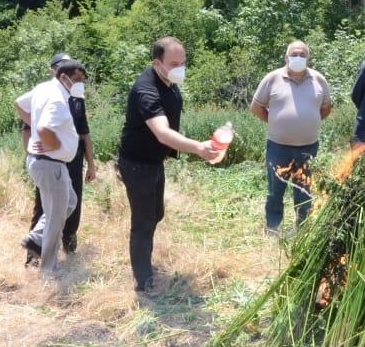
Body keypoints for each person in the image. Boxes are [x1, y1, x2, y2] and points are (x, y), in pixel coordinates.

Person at [116, 36, 220, 293]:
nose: (180, 68)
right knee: (143, 222)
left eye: (183, 62)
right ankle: (143, 281)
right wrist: (197, 147)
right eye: (174, 63)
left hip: (154, 161)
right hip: (137, 164)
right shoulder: (146, 90)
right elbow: (162, 132)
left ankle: (143, 260)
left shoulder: (169, 81)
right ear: (157, 63)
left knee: (156, 214)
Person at [17, 53, 96, 254]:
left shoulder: (77, 99)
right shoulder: (46, 94)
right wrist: (40, 146)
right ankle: (36, 254)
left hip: (72, 161)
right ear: (55, 71)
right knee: (44, 206)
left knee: (71, 202)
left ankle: (66, 244)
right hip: (49, 161)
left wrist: (91, 164)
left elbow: (84, 134)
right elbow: (30, 128)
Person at [250, 40, 332, 232]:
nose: (298, 58)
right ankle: (272, 228)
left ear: (308, 58)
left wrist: (310, 122)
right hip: (278, 146)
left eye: (302, 55)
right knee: (275, 191)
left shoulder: (318, 80)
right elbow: (256, 107)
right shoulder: (272, 78)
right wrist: (275, 122)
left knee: (304, 191)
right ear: (286, 57)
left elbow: (326, 108)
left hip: (308, 148)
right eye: (294, 54)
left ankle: (302, 229)